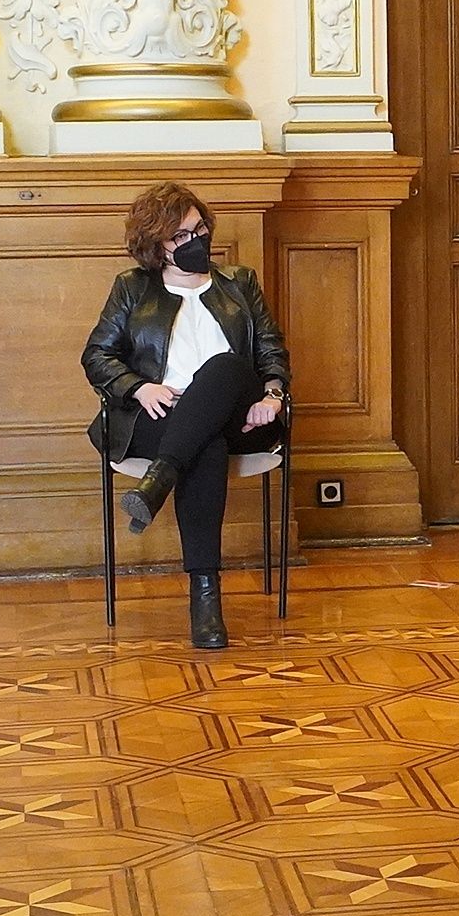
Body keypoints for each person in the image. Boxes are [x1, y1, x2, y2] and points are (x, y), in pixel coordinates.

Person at [82, 183, 292, 650]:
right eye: (180, 235)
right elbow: (97, 356)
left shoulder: (239, 282)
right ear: (155, 244)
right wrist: (139, 387)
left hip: (243, 416)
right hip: (159, 414)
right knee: (205, 445)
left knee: (224, 366)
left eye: (199, 229)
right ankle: (206, 601)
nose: (195, 240)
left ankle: (158, 481)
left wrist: (273, 395)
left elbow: (271, 351)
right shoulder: (132, 287)